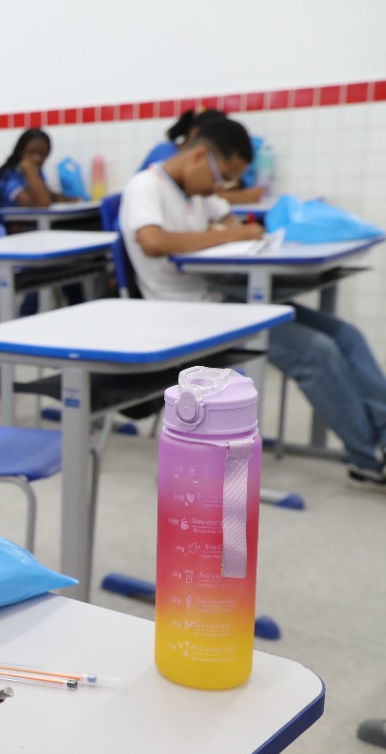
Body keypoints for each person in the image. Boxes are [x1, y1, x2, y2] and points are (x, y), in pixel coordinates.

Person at [119, 114, 386, 492]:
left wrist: (230, 231)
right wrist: (227, 235)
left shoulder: (197, 193)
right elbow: (154, 242)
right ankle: (366, 461)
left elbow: (232, 222)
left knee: (347, 335)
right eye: (222, 177)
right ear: (199, 157)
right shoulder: (145, 186)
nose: (221, 188)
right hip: (185, 311)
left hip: (224, 298)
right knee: (316, 351)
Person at [141, 109, 267, 205]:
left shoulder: (200, 170)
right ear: (197, 133)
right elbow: (176, 194)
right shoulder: (165, 153)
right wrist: (242, 197)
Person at [0, 128, 75, 225]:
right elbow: (42, 204)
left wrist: (71, 200)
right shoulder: (7, 177)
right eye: (31, 152)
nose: (37, 158)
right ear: (20, 152)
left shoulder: (35, 172)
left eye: (42, 153)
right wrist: (29, 169)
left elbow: (48, 196)